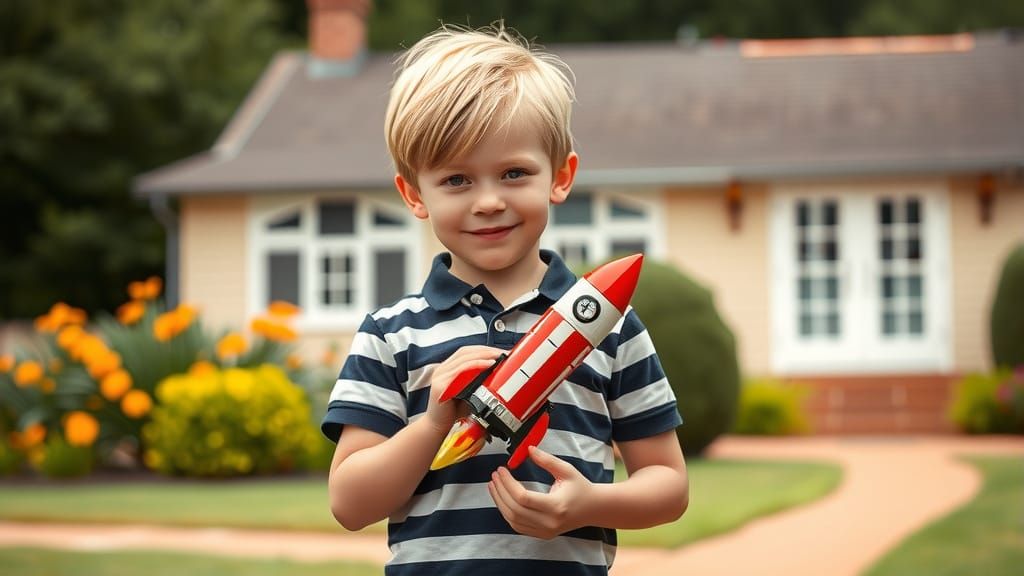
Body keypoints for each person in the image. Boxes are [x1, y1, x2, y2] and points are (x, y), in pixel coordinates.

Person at [322, 23, 688, 576]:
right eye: (457, 180)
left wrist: (588, 505)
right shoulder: (391, 334)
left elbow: (669, 485)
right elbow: (350, 503)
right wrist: (433, 422)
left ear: (560, 176)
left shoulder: (609, 327)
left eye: (514, 173)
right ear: (414, 194)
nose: (489, 201)